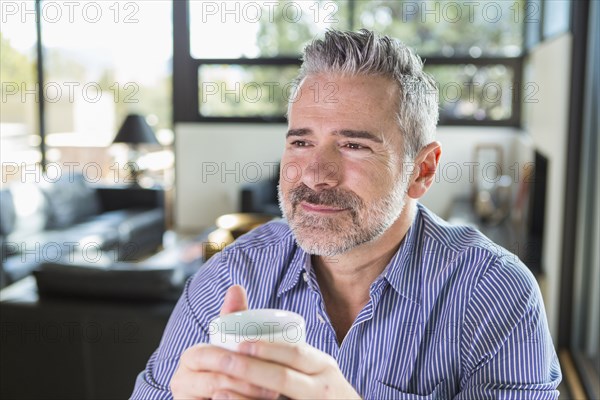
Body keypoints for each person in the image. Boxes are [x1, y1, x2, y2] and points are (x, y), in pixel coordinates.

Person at [131, 29, 561, 399]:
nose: (316, 174)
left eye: (354, 146)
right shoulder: (231, 276)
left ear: (422, 170)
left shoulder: (495, 292)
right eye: (301, 142)